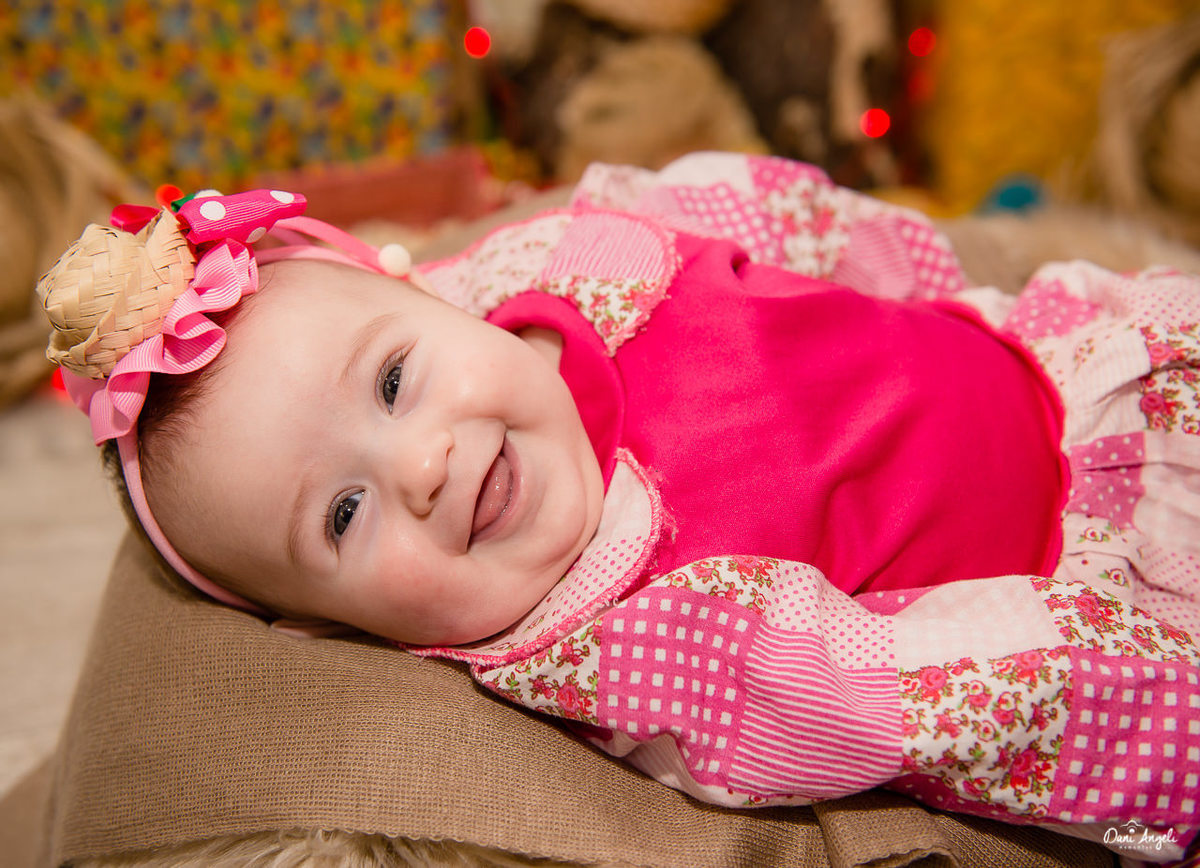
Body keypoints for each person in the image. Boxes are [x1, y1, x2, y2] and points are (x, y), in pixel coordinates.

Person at [38, 154, 1200, 861]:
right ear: (331, 629)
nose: (422, 464)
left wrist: (935, 281)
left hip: (1081, 357)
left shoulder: (577, 265)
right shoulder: (643, 638)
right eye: (343, 515)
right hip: (1112, 591)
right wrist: (1163, 716)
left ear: (432, 293)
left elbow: (777, 222)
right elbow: (930, 703)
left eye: (393, 380)